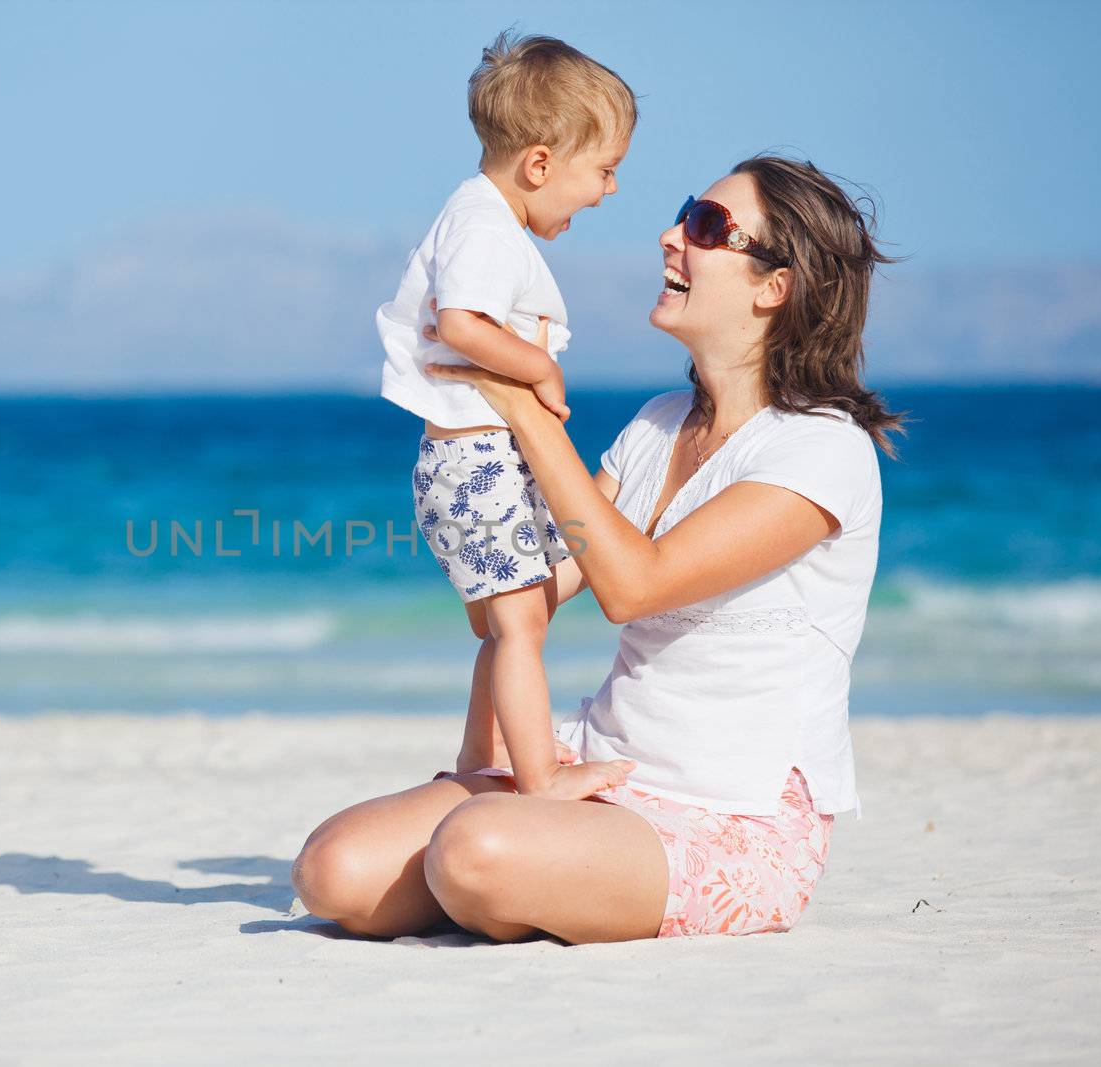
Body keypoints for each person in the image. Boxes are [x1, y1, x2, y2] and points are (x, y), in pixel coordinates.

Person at [294, 154, 907, 943]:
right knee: (332, 870)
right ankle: (531, 872)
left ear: (773, 286)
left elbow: (634, 584)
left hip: (731, 811)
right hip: (598, 764)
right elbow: (556, 575)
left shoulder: (823, 450)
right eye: (687, 213)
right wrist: (461, 471)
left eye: (707, 227)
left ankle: (522, 877)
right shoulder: (657, 423)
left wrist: (520, 401)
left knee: (473, 850)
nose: (670, 237)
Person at [375, 30, 636, 798]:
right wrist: (540, 366)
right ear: (540, 164)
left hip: (477, 462)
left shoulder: (482, 217)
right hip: (475, 463)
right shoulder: (485, 226)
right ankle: (539, 776)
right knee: (520, 628)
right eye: (606, 171)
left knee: (510, 620)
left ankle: (474, 761)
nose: (611, 191)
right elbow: (462, 324)